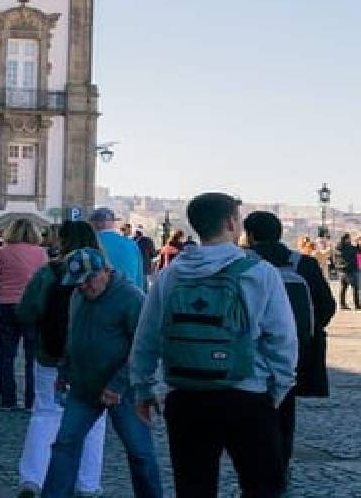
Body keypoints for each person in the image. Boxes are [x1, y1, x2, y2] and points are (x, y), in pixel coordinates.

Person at [131, 192, 298, 498]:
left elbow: (147, 337)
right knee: (262, 485)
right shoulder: (259, 273)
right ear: (232, 223)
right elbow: (283, 339)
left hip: (186, 393)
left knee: (194, 487)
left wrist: (143, 388)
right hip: (246, 392)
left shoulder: (170, 275)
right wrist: (279, 388)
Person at [41, 247, 163, 498]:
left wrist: (119, 384)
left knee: (140, 452)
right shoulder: (78, 295)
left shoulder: (132, 298)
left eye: (89, 281)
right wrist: (64, 372)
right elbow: (73, 336)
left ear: (106, 271)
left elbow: (143, 348)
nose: (84, 288)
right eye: (78, 284)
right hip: (83, 386)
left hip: (124, 392)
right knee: (65, 444)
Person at [15, 221, 108, 497]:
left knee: (45, 414)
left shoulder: (49, 271)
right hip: (93, 359)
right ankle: (88, 484)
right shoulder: (106, 272)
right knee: (94, 421)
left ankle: (33, 479)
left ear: (63, 241)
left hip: (51, 354)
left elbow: (26, 311)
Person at [243, 211, 334, 489]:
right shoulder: (303, 264)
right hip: (296, 351)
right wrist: (304, 335)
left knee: (248, 410)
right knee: (285, 409)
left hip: (251, 350)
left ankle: (253, 471)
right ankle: (280, 468)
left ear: (251, 235)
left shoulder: (243, 264)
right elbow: (327, 305)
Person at [0, 217, 48, 411]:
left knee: (6, 355)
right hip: (32, 305)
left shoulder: (0, 252)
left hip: (7, 303)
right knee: (32, 356)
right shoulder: (41, 253)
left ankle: (7, 399)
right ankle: (31, 400)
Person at [90, 208, 145, 291]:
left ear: (94, 223)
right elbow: (140, 277)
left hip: (100, 299)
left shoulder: (90, 244)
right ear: (112, 223)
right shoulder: (131, 244)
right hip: (129, 296)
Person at [335, 233, 361, 310]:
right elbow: (360, 252)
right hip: (350, 270)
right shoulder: (349, 247)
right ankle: (357, 305)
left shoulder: (337, 248)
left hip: (341, 270)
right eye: (349, 238)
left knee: (343, 288)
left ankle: (342, 304)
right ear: (347, 239)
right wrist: (360, 243)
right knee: (355, 288)